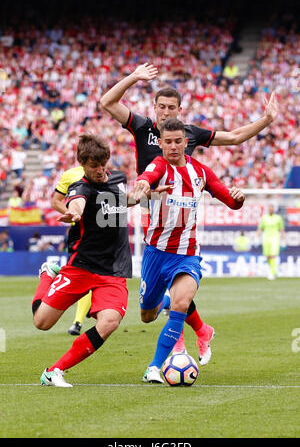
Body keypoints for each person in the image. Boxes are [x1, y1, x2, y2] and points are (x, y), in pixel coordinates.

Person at [100, 62, 278, 363]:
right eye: (161, 107)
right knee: (149, 311)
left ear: (179, 110)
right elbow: (107, 102)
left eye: (171, 108)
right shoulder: (142, 127)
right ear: (154, 108)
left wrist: (266, 119)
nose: (166, 112)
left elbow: (234, 137)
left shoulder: (189, 134)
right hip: (146, 203)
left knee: (176, 275)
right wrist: (133, 77)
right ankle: (199, 329)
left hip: (179, 208)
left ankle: (176, 347)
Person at [133, 118, 245, 383]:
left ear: (186, 142)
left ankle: (154, 367)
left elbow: (229, 200)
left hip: (187, 255)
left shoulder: (201, 173)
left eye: (177, 142)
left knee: (181, 304)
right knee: (147, 315)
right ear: (160, 143)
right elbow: (147, 176)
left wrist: (238, 200)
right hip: (155, 254)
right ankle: (175, 307)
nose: (173, 147)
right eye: (167, 142)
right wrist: (142, 184)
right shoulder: (159, 166)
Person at [31, 133, 132, 387]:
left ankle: (54, 371)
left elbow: (122, 199)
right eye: (92, 166)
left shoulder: (119, 179)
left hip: (113, 270)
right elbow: (77, 203)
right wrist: (73, 213)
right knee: (41, 322)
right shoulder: (80, 187)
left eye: (102, 164)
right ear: (82, 165)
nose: (99, 170)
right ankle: (47, 274)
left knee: (109, 322)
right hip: (81, 267)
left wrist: (145, 194)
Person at [51, 164, 91, 336]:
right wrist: (72, 214)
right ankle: (79, 320)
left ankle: (78, 320)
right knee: (84, 276)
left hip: (103, 234)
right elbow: (55, 201)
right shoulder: (70, 175)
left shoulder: (105, 174)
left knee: (97, 277)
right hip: (80, 234)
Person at [257, 204, 285, 280]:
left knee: (273, 255)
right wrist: (257, 238)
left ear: (274, 209)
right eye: (269, 208)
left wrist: (283, 239)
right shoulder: (264, 218)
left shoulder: (278, 218)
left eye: (272, 208)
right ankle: (273, 270)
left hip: (275, 238)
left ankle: (272, 273)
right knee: (268, 256)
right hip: (266, 238)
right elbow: (260, 228)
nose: (270, 209)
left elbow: (282, 229)